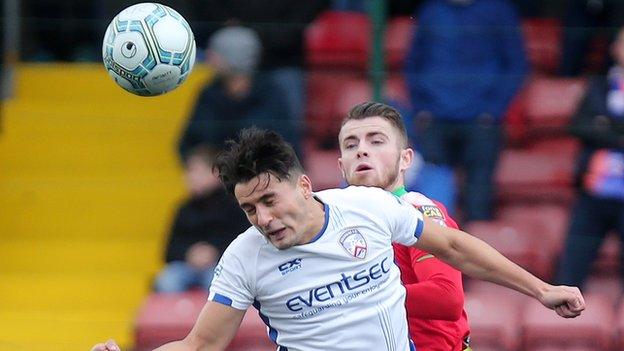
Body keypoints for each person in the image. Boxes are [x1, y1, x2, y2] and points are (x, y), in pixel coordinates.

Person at [92, 128, 584, 351]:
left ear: (304, 186)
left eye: (270, 201)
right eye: (249, 209)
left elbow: (454, 248)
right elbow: (200, 344)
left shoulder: (366, 208)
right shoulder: (243, 258)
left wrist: (542, 290)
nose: (263, 218)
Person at [337, 102, 470, 350]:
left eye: (376, 141)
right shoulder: (333, 224)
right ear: (341, 166)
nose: (362, 151)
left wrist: (356, 297)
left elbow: (447, 297)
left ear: (405, 159)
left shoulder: (417, 211)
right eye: (351, 144)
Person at [404, 0, 528, 221]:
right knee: (432, 199)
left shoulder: (498, 10)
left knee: (478, 196)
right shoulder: (432, 11)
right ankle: (432, 252)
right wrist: (422, 107)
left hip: (482, 121)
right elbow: (414, 62)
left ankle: (473, 252)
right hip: (435, 118)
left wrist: (493, 110)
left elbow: (516, 64)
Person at [555, 27, 624, 288]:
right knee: (572, 265)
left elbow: (595, 127)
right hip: (595, 188)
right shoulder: (598, 86)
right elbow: (579, 125)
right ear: (614, 48)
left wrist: (606, 127)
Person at [177, 25, 300, 159]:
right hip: (215, 173)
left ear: (234, 58)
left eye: (217, 52)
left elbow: (285, 148)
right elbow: (186, 143)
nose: (208, 56)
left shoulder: (270, 94)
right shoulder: (209, 92)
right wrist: (198, 161)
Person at [154, 145, 249, 293]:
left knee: (218, 282)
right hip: (186, 267)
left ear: (216, 173)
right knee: (167, 281)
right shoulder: (183, 209)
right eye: (188, 171)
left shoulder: (235, 207)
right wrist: (189, 254)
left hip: (220, 266)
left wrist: (214, 252)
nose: (189, 177)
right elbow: (168, 251)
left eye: (196, 171)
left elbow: (245, 246)